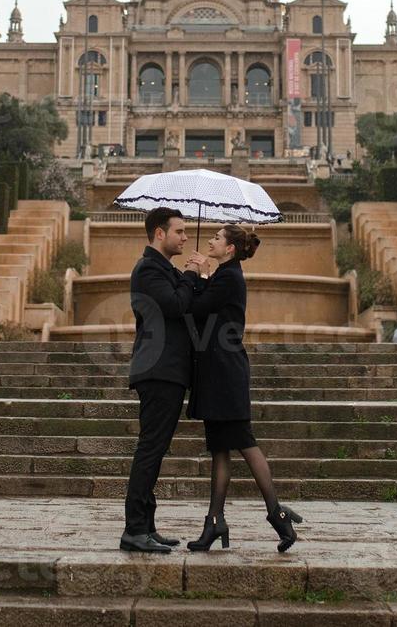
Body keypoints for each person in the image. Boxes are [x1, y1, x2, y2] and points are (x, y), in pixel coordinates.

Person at [186, 225, 304, 553]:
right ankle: (215, 521)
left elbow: (197, 308)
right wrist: (204, 275)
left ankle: (276, 512)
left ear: (230, 249)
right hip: (217, 370)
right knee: (221, 448)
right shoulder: (226, 275)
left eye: (217, 238)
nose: (210, 240)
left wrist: (197, 273)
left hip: (224, 373)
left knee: (243, 441)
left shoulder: (228, 277)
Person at [120, 207, 210, 554]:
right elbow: (174, 306)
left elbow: (186, 305)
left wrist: (197, 278)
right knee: (150, 450)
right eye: (180, 231)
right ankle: (134, 530)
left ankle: (147, 526)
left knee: (154, 451)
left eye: (187, 232)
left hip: (169, 369)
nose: (186, 238)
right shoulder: (148, 270)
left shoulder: (163, 269)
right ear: (160, 233)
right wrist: (190, 276)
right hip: (158, 369)